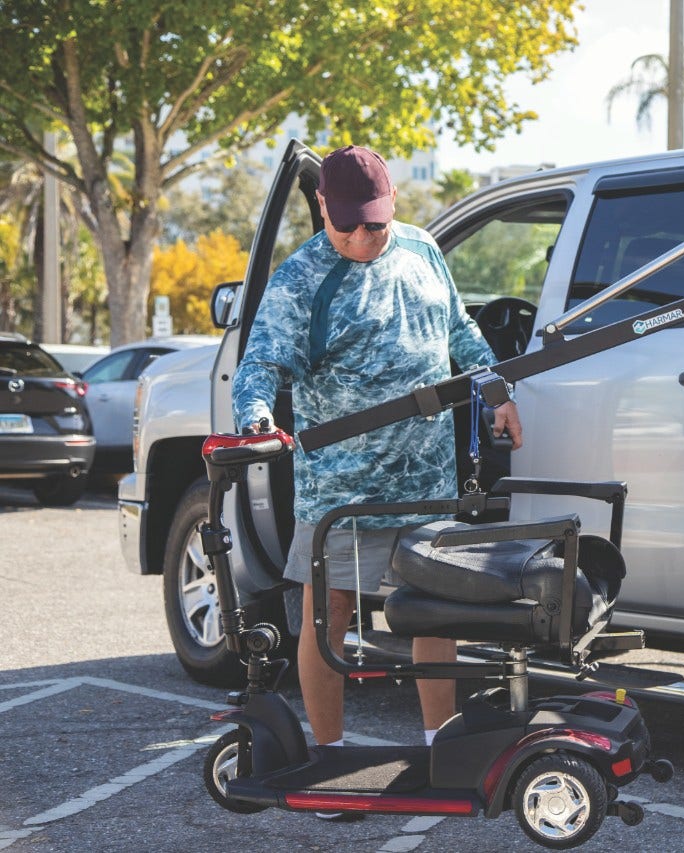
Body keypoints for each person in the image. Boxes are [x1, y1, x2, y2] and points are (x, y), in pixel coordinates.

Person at [232, 145, 522, 819]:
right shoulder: (304, 277)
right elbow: (260, 363)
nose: (363, 238)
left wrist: (497, 389)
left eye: (376, 225)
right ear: (325, 213)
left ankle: (439, 744)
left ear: (394, 208)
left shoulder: (422, 250)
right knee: (326, 619)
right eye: (348, 228)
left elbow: (460, 330)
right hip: (341, 489)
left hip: (425, 476)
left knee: (436, 608)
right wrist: (254, 420)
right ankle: (330, 760)